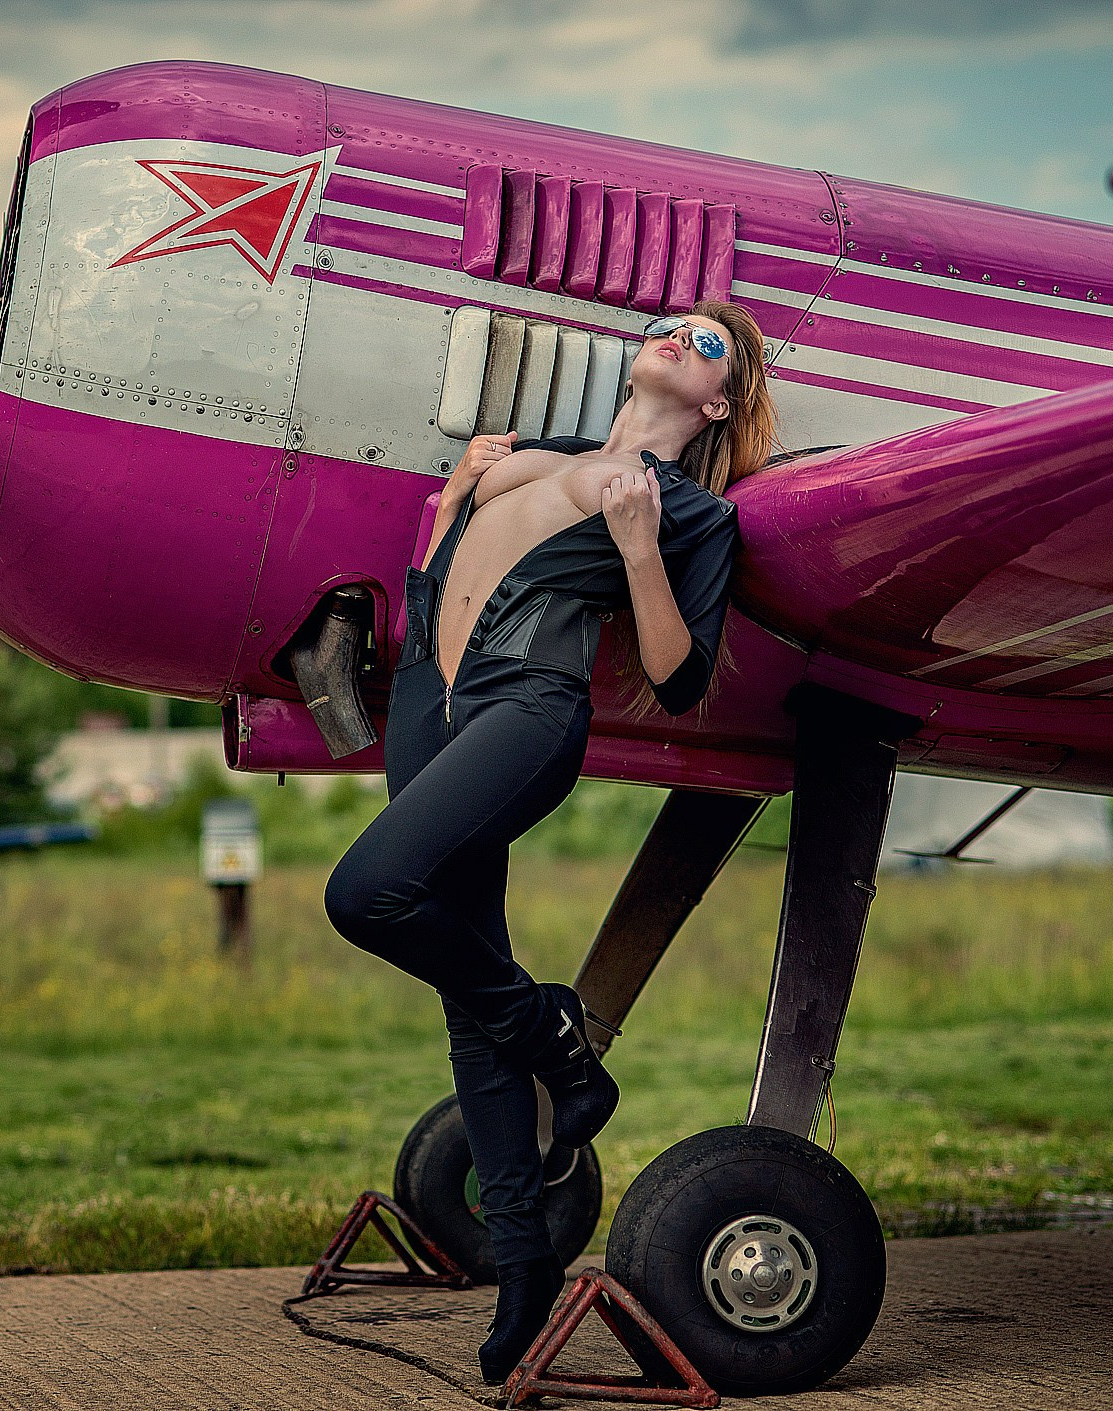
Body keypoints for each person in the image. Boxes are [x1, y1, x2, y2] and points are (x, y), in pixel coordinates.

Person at [324, 300, 780, 1383]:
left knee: (365, 892)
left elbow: (677, 676)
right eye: (670, 324)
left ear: (718, 402)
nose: (674, 335)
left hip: (525, 707)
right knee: (467, 1005)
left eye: (704, 344)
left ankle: (555, 1034)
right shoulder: (544, 452)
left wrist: (638, 548)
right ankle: (524, 1266)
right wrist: (450, 500)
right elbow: (444, 581)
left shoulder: (688, 512)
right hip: (430, 698)